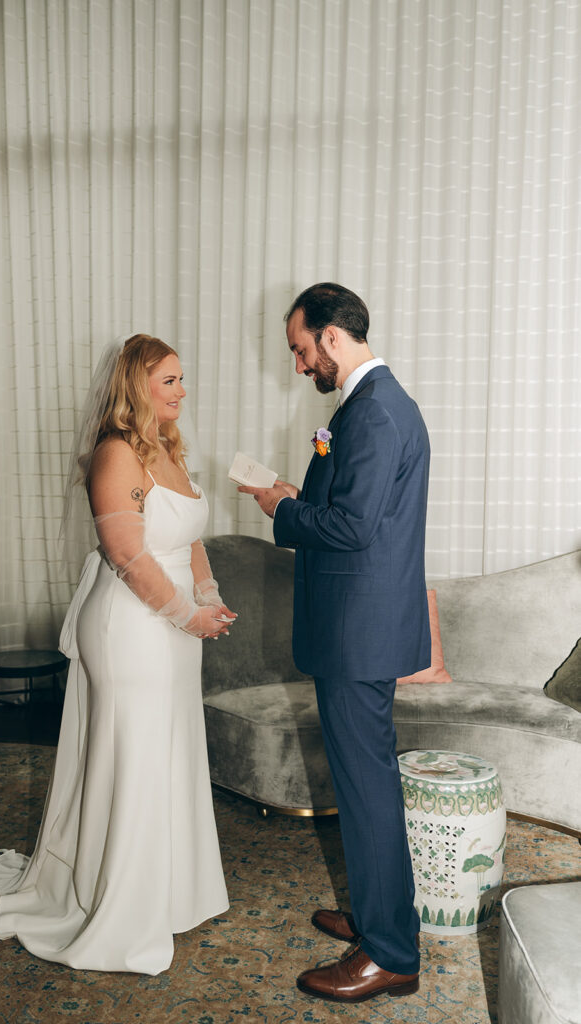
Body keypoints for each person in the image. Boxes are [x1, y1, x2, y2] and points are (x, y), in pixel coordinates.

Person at [0, 333, 236, 975]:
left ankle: (171, 894)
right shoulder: (115, 454)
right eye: (169, 380)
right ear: (137, 386)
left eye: (182, 379)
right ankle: (121, 903)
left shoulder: (169, 450)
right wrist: (185, 614)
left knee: (170, 752)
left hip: (174, 623)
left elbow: (189, 539)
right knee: (137, 757)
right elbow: (127, 556)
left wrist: (208, 595)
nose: (182, 389)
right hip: (133, 626)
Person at [239, 283, 430, 1003]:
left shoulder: (375, 412)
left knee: (367, 788)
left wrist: (285, 510)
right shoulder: (365, 407)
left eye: (297, 348)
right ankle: (377, 916)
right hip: (356, 626)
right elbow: (355, 512)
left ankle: (389, 953)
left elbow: (350, 530)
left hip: (357, 633)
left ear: (329, 336)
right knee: (364, 786)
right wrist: (294, 493)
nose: (296, 365)